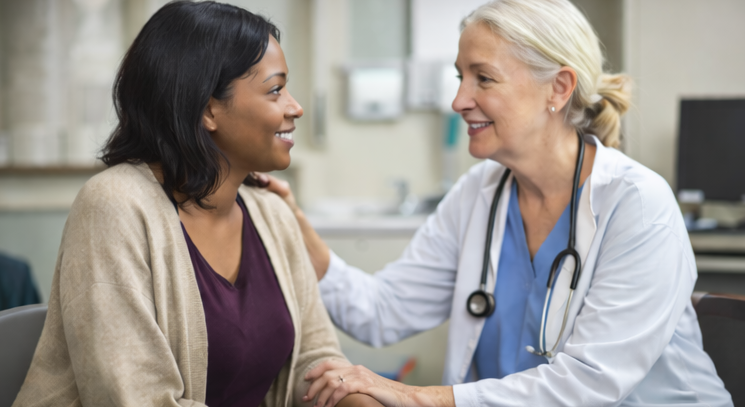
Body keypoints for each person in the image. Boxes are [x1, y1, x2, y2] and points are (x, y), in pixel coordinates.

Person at [265, 0, 734, 406]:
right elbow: (384, 312)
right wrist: (295, 229)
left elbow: (592, 382)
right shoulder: (479, 193)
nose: (458, 99)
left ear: (558, 87)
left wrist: (420, 397)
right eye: (460, 76)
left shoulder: (636, 203)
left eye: (483, 79)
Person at [11, 2, 382, 406]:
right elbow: (137, 399)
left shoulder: (272, 214)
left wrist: (357, 398)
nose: (296, 107)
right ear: (208, 109)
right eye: (275, 90)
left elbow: (318, 364)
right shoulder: (113, 206)